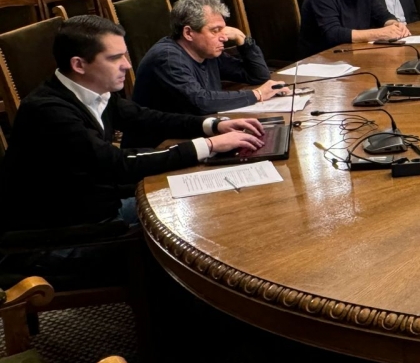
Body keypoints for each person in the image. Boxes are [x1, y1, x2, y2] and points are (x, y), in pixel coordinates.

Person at [0, 16, 265, 230]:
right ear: (79, 64)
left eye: (125, 55)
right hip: (68, 233)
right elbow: (117, 164)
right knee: (204, 221)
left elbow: (147, 118)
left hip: (98, 203)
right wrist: (209, 145)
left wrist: (213, 126)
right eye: (114, 58)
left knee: (211, 199)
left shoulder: (95, 90)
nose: (127, 65)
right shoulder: (49, 111)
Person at [132, 0, 286, 118]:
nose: (224, 37)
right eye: (215, 30)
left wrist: (242, 39)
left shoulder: (207, 52)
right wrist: (257, 94)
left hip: (197, 131)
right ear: (188, 33)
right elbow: (201, 102)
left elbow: (258, 76)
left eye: (223, 29)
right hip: (162, 142)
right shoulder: (167, 58)